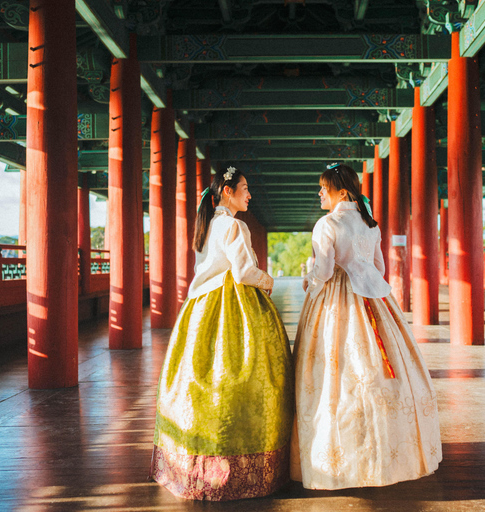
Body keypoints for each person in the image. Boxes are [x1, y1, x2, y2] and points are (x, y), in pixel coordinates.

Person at [291, 162, 442, 490]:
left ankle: (342, 454)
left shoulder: (327, 224)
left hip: (335, 300)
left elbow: (325, 269)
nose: (319, 193)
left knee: (333, 372)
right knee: (381, 368)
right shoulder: (370, 224)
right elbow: (379, 267)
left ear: (340, 192)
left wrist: (309, 281)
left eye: (324, 189)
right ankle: (390, 449)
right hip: (375, 301)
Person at [150, 166, 294, 501]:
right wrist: (269, 282)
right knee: (248, 377)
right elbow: (243, 272)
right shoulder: (233, 225)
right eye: (244, 188)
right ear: (227, 191)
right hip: (235, 306)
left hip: (201, 308)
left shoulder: (208, 225)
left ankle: (193, 463)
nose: (249, 194)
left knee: (200, 382)